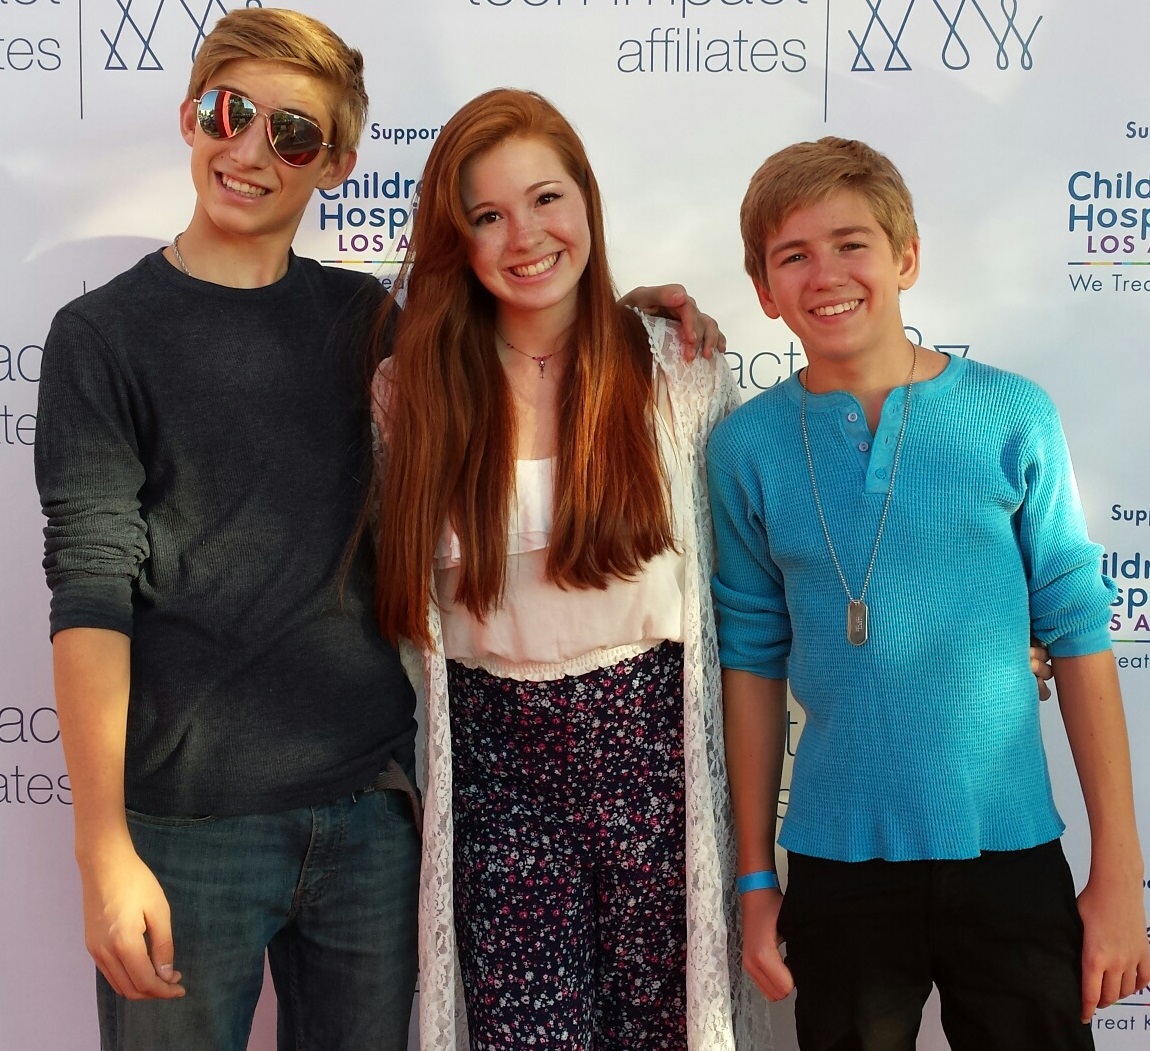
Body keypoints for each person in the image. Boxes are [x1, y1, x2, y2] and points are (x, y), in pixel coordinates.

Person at [33, 10, 717, 1050]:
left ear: (339, 163)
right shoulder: (101, 337)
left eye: (293, 133)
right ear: (190, 117)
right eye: (230, 113)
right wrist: (103, 846)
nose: (251, 149)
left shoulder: (376, 331)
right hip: (186, 826)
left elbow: (525, 328)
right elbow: (88, 589)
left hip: (372, 815)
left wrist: (633, 313)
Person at [707, 135, 1150, 1050]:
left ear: (905, 257)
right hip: (837, 862)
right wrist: (756, 879)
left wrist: (1117, 875)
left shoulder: (1012, 415)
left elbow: (1077, 635)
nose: (826, 272)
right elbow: (749, 661)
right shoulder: (747, 449)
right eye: (792, 255)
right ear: (764, 291)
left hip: (1010, 849)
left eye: (852, 242)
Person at [369, 89, 771, 1051]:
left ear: (587, 201)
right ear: (455, 238)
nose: (526, 235)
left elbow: (753, 584)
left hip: (652, 755)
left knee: (666, 1032)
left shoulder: (677, 370)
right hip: (498, 770)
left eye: (547, 198)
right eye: (489, 215)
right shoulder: (408, 396)